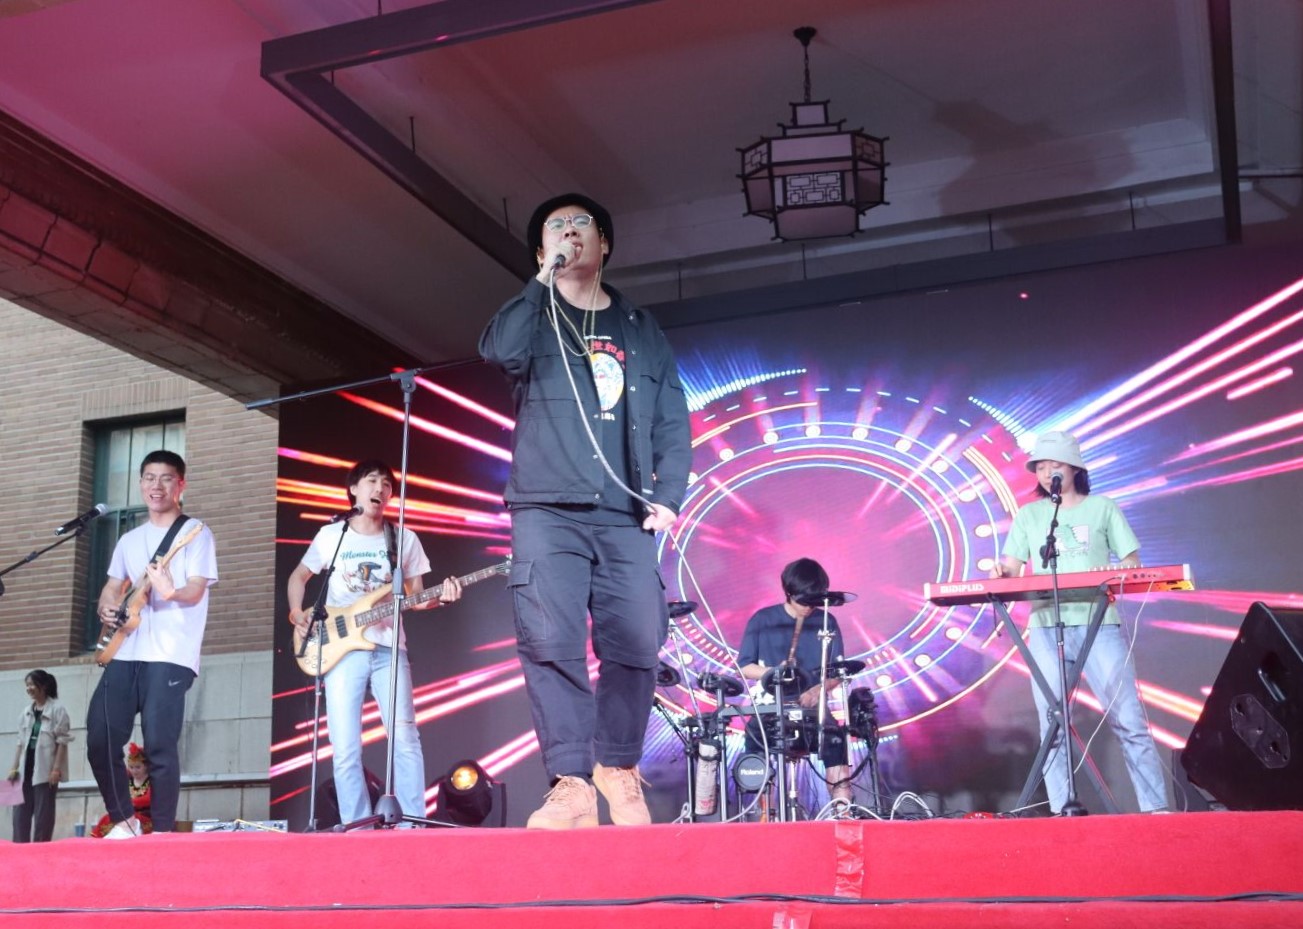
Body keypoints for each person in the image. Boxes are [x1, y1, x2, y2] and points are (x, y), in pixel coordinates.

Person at [479, 193, 692, 829]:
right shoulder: (533, 315)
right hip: (547, 508)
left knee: (640, 639)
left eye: (581, 224)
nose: (569, 233)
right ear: (541, 251)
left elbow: (672, 417)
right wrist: (539, 283)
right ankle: (570, 781)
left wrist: (669, 496)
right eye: (556, 227)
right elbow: (497, 351)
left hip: (625, 511)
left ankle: (617, 765)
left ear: (605, 244)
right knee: (550, 641)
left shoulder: (640, 328)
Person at [990, 430, 1168, 813]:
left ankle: (1157, 812)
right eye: (1040, 467)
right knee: (1052, 725)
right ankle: (1062, 813)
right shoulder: (1030, 515)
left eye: (1054, 465)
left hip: (1098, 624)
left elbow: (1132, 562)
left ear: (1074, 468)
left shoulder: (1102, 508)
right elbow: (1011, 568)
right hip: (1046, 626)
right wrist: (1000, 572)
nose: (1046, 473)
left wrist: (1116, 572)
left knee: (1129, 720)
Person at [287, 459, 462, 826]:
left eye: (386, 484)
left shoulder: (402, 538)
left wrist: (441, 598)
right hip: (339, 647)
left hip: (388, 647)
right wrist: (297, 613)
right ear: (354, 489)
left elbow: (416, 598)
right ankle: (357, 825)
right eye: (372, 481)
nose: (379, 489)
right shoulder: (332, 535)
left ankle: (412, 821)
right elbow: (299, 577)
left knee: (404, 736)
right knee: (345, 745)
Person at [88, 450, 218, 838]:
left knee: (160, 745)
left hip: (171, 655)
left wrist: (170, 591)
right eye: (149, 478)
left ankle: (162, 832)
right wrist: (107, 606)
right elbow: (113, 586)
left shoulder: (196, 532)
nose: (156, 486)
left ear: (181, 484)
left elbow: (196, 590)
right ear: (140, 483)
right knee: (99, 736)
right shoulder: (129, 540)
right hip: (126, 650)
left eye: (165, 478)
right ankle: (124, 820)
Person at [737, 558, 854, 809]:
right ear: (789, 592)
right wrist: (774, 673)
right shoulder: (762, 619)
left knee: (835, 740)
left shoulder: (827, 621)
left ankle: (842, 812)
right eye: (803, 602)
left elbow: (838, 671)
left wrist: (818, 689)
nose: (808, 608)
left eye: (814, 601)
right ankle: (766, 815)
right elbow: (745, 666)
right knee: (755, 740)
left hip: (812, 706)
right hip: (771, 705)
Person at [8, 669, 72, 842]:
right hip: (25, 770)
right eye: (27, 685)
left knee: (44, 816)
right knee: (19, 815)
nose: (28, 688)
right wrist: (14, 768)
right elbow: (20, 743)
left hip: (45, 771)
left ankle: (40, 849)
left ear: (43, 686)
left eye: (32, 685)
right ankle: (19, 849)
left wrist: (56, 769)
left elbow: (62, 742)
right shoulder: (25, 712)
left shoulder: (57, 710)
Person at [90, 743, 153, 837]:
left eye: (138, 767)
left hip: (146, 817)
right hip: (127, 813)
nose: (134, 771)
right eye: (131, 767)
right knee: (107, 818)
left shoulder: (152, 780)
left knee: (129, 819)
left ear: (146, 766)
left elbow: (149, 798)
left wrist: (130, 802)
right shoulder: (127, 778)